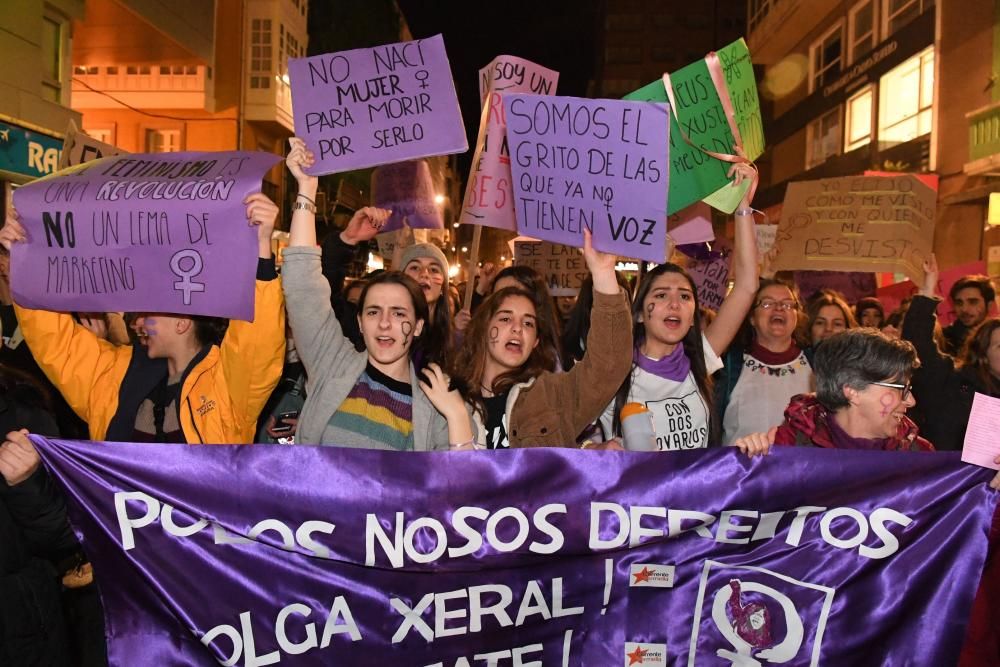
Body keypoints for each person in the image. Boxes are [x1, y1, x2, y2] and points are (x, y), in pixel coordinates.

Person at [0, 197, 286, 444]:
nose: (137, 322)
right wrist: (26, 261)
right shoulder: (110, 374)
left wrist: (261, 248)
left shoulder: (227, 385)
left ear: (182, 321)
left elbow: (256, 344)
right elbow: (55, 341)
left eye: (148, 314)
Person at [281, 138, 470, 450]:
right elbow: (303, 285)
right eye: (373, 312)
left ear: (419, 325)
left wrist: (457, 415)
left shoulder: (435, 401)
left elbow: (462, 488)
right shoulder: (332, 364)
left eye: (399, 314)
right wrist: (306, 189)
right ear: (359, 322)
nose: (384, 323)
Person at [603, 162, 759, 450]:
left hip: (692, 496)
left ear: (692, 316)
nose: (675, 304)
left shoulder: (699, 360)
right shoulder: (612, 372)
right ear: (638, 314)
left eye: (685, 296)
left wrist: (743, 206)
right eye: (661, 296)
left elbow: (747, 285)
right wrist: (599, 449)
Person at [449, 228, 631, 449]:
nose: (518, 328)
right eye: (506, 319)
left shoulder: (552, 396)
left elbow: (608, 366)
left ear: (535, 342)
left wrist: (603, 274)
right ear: (483, 329)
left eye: (528, 323)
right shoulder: (448, 397)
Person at [734, 329, 932, 457]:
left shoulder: (920, 456)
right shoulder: (788, 448)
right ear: (853, 391)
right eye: (901, 390)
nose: (911, 401)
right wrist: (749, 460)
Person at [900, 255, 1000, 451]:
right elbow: (919, 346)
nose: (966, 309)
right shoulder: (955, 382)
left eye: (973, 301)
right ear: (983, 355)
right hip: (955, 478)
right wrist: (927, 289)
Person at [718, 279, 814, 443]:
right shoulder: (728, 364)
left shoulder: (816, 363)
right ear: (752, 318)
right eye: (767, 304)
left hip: (801, 467)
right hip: (742, 467)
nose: (779, 308)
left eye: (788, 304)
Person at [399, 242, 454, 368]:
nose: (424, 274)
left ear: (443, 287)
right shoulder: (386, 330)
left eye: (434, 269)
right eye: (414, 267)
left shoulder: (457, 343)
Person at [944, 274, 996, 356]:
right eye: (959, 303)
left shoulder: (996, 336)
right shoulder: (945, 339)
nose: (964, 309)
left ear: (990, 305)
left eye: (972, 302)